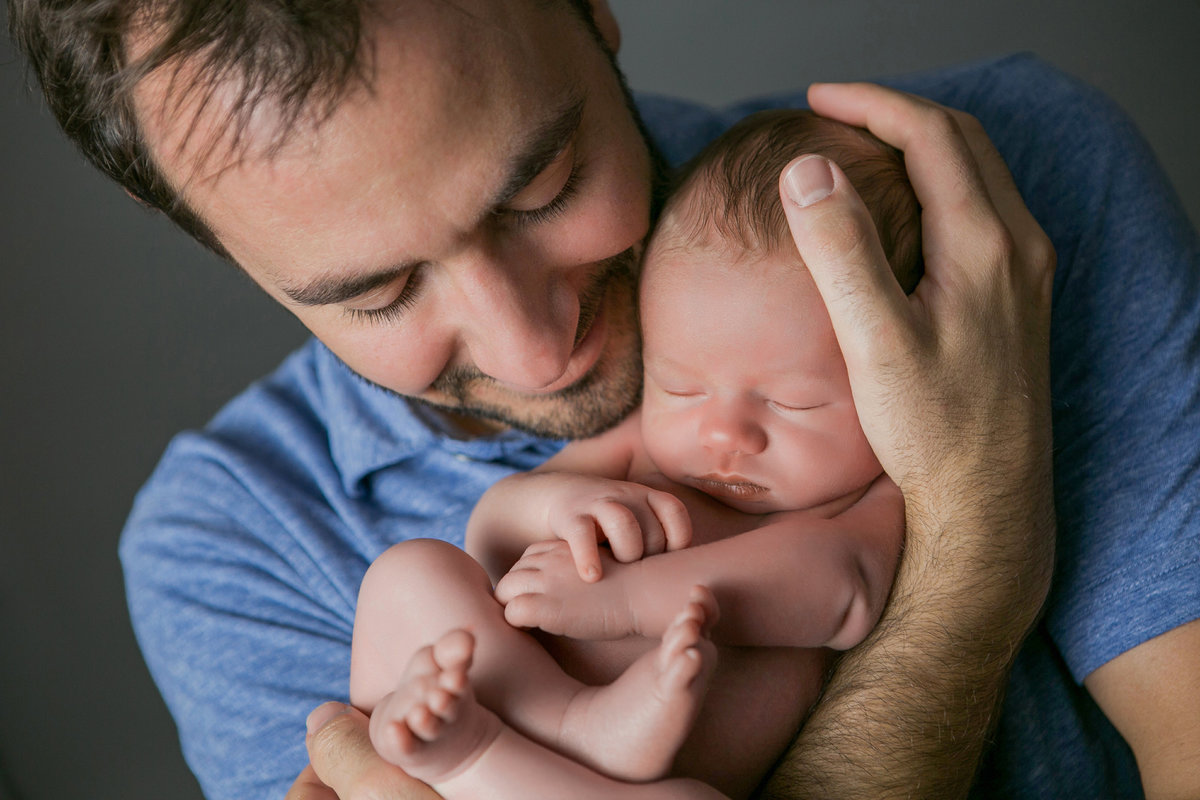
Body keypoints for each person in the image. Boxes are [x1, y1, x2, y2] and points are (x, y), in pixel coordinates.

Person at [8, 1, 1198, 798]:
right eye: (380, 292)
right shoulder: (232, 543)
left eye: (544, 185)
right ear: (231, 251)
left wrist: (970, 519)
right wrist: (974, 562)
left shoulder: (983, 213)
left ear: (595, 12)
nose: (536, 353)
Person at [349, 109, 914, 800]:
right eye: (681, 384)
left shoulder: (872, 492)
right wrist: (562, 503)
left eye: (794, 403)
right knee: (408, 573)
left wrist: (628, 601)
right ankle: (506, 742)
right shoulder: (645, 436)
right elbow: (492, 528)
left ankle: (475, 759)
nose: (723, 434)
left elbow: (842, 589)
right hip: (501, 697)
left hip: (638, 772)